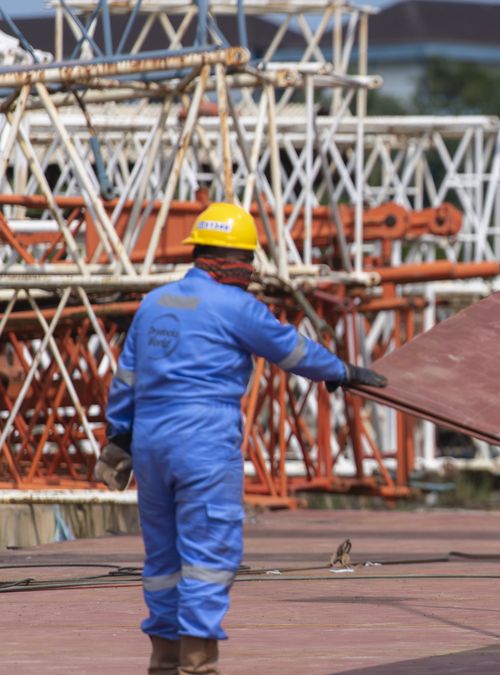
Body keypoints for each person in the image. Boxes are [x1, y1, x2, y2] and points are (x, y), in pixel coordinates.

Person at [95, 203, 388, 674]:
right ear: (235, 258)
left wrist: (118, 438)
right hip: (203, 443)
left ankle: (163, 663)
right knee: (209, 552)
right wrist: (342, 371)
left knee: (163, 556)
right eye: (248, 261)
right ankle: (198, 664)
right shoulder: (235, 307)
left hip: (149, 442)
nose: (250, 271)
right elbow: (291, 350)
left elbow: (126, 378)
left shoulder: (154, 304)